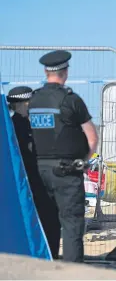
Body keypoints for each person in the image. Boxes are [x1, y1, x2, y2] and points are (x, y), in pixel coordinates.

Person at [28, 50, 98, 263]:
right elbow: (92, 138)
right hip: (67, 171)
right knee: (71, 224)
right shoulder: (71, 100)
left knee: (46, 221)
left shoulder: (33, 100)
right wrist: (84, 160)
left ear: (45, 71)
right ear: (65, 72)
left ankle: (46, 266)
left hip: (39, 170)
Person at [7, 86, 61, 259]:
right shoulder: (20, 126)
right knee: (49, 221)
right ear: (24, 103)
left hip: (31, 184)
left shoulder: (15, 125)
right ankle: (48, 257)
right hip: (36, 184)